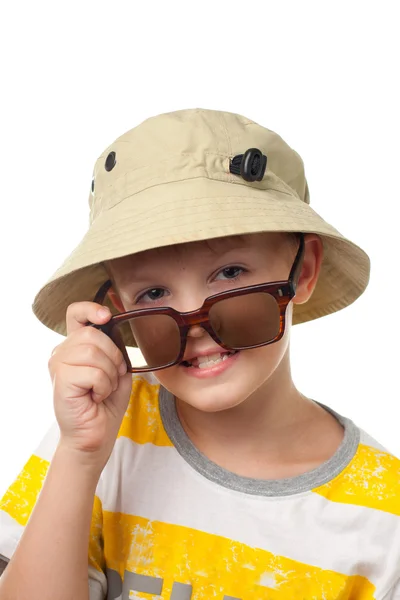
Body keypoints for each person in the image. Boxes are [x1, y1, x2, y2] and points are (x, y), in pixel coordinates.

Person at [0, 108, 398, 600]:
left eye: (230, 273)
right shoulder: (105, 434)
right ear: (118, 310)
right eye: (152, 295)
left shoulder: (384, 519)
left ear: (304, 270)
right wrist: (80, 457)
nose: (195, 324)